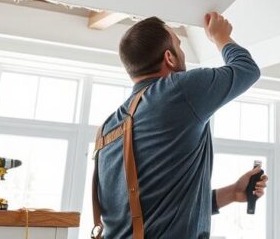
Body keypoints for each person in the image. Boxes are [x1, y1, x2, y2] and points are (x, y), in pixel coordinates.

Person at [92, 12, 266, 239]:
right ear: (169, 58)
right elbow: (246, 70)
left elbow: (156, 211)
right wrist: (220, 37)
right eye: (179, 44)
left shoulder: (109, 128)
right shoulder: (178, 90)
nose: (182, 51)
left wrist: (232, 193)